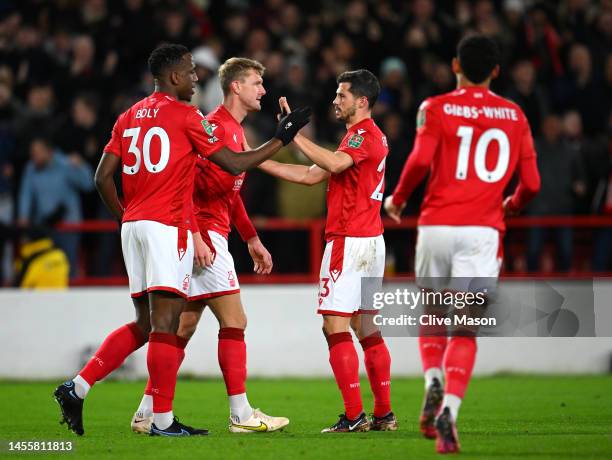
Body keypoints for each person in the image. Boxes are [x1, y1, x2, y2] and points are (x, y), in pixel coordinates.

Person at [53, 43, 310, 437]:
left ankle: (86, 389)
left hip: (136, 227)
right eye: (190, 72)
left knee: (155, 324)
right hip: (175, 228)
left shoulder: (129, 115)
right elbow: (231, 165)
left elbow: (102, 178)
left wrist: (127, 218)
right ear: (173, 76)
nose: (195, 79)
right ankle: (191, 418)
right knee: (192, 324)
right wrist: (281, 139)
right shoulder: (192, 117)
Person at [384, 35, 541, 454]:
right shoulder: (514, 114)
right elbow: (533, 184)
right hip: (483, 231)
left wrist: (398, 199)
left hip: (436, 225)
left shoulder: (434, 107)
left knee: (432, 313)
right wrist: (511, 204)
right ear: (496, 71)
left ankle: (432, 379)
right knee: (466, 327)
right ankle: (449, 410)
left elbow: (419, 161)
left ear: (455, 65)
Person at [130, 57, 288, 434]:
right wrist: (197, 234)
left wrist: (251, 237)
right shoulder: (214, 127)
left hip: (205, 234)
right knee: (235, 321)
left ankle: (146, 411)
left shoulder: (235, 132)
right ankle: (242, 415)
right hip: (203, 238)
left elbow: (230, 195)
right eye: (256, 83)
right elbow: (182, 184)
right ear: (235, 87)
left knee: (182, 328)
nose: (262, 90)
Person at [259, 70, 396, 433]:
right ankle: (383, 414)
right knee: (365, 327)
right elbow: (310, 175)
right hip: (370, 241)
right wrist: (255, 159)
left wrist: (294, 136)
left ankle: (354, 417)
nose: (336, 101)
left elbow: (332, 165)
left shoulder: (363, 135)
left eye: (342, 95)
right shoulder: (362, 138)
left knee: (334, 326)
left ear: (362, 101)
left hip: (349, 242)